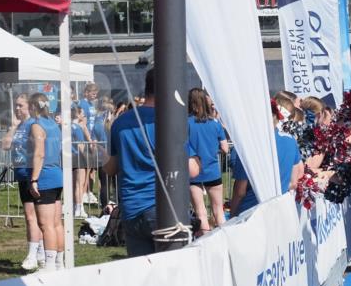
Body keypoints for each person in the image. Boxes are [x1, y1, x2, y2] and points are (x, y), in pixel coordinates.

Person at [104, 68, 201, 257]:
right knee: (173, 273)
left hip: (131, 210)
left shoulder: (120, 123)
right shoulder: (171, 122)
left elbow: (111, 168)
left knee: (143, 276)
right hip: (163, 210)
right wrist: (198, 158)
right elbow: (192, 170)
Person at [229, 100, 303, 218]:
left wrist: (232, 216)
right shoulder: (290, 140)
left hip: (251, 213)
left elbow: (240, 191)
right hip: (278, 211)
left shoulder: (249, 145)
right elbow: (294, 182)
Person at [2, 94, 46, 270]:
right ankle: (40, 253)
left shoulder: (33, 124)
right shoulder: (18, 125)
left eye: (21, 106)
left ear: (29, 106)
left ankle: (33, 254)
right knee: (32, 217)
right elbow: (4, 145)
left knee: (32, 216)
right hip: (20, 174)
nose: (17, 109)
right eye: (16, 106)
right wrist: (13, 126)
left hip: (32, 173)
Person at [25, 94, 66, 270]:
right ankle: (59, 263)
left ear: (34, 106)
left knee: (45, 224)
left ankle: (49, 266)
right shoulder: (54, 125)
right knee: (56, 223)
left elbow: (39, 153)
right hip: (57, 175)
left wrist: (34, 179)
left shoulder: (37, 125)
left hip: (46, 177)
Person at [187, 88, 230, 235]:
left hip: (193, 173)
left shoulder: (185, 124)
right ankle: (226, 241)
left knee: (201, 213)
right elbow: (225, 149)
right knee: (219, 211)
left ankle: (204, 243)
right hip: (212, 171)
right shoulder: (215, 123)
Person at [71, 105, 93, 218]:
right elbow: (81, 145)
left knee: (74, 184)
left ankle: (76, 207)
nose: (84, 116)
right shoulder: (76, 127)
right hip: (78, 157)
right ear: (78, 114)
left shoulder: (68, 126)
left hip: (69, 157)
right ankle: (79, 208)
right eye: (82, 114)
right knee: (79, 184)